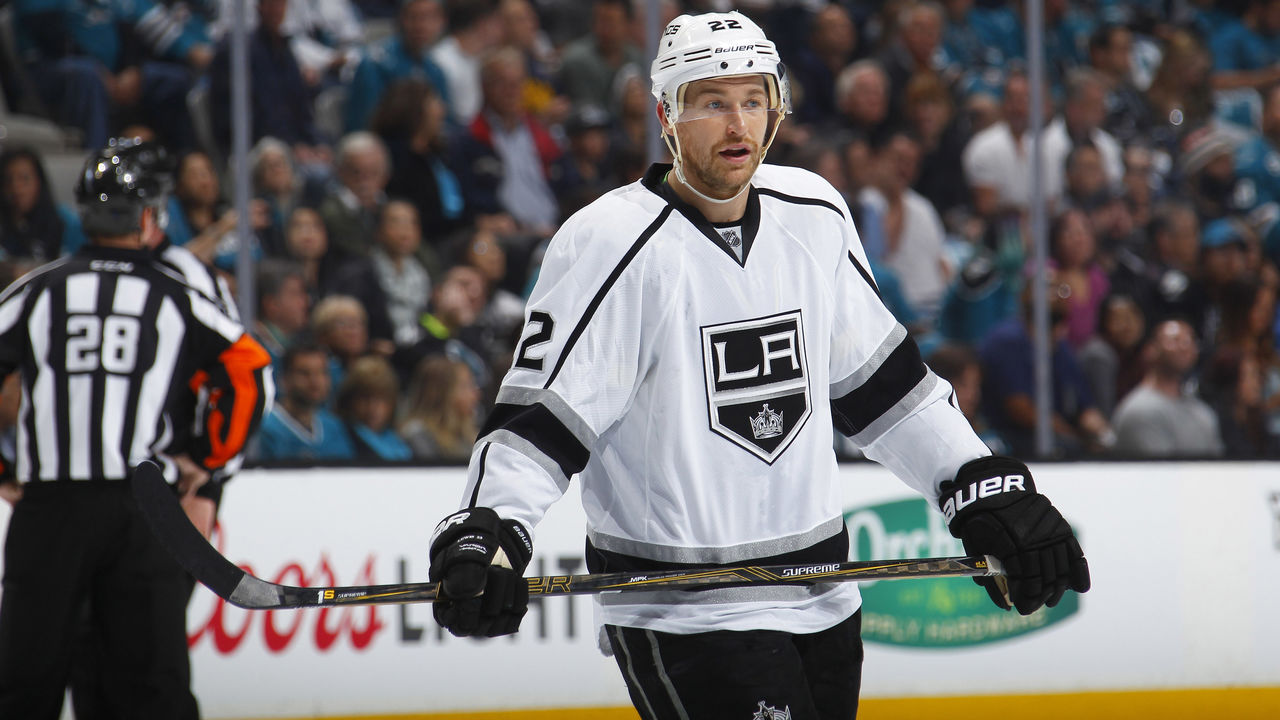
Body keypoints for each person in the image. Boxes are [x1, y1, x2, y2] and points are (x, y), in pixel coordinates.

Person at [426, 12, 1090, 720]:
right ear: (667, 115)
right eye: (712, 101)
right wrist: (489, 525)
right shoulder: (608, 242)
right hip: (686, 613)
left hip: (824, 595)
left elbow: (887, 391)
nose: (737, 123)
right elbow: (538, 421)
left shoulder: (814, 213)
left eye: (753, 99)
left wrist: (979, 485)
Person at [0, 137, 273, 718]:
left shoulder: (39, 289)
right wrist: (208, 462)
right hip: (145, 508)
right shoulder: (174, 294)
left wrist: (2, 469)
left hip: (50, 509)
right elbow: (250, 370)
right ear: (149, 217)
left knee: (26, 683)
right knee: (151, 684)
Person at [1111, 318, 1224, 457]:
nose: (1184, 346)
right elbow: (1161, 468)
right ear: (1150, 350)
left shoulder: (1203, 412)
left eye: (1189, 340)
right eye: (1175, 340)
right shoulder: (1139, 411)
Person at [250, 342, 355, 461]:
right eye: (304, 373)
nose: (315, 381)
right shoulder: (264, 429)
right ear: (284, 379)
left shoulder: (334, 427)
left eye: (322, 372)